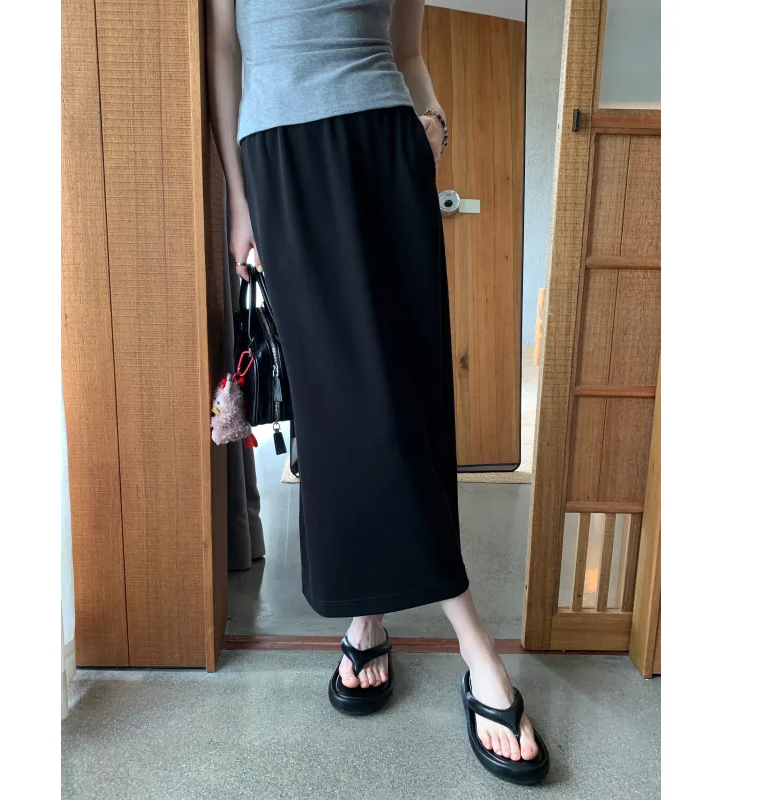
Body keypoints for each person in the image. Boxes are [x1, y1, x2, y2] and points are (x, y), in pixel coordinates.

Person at [206, 0, 548, 784]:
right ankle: (471, 643)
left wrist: (434, 122)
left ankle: (378, 622)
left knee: (409, 396)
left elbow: (409, 50)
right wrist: (240, 200)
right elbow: (225, 51)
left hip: (386, 145)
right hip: (282, 157)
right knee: (345, 411)